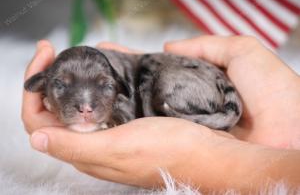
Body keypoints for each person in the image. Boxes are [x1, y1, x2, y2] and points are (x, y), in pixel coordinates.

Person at [22, 36, 300, 193]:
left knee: (166, 87)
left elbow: (126, 107)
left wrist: (214, 158)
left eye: (105, 86)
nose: (85, 105)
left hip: (194, 83)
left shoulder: (130, 87)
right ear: (43, 86)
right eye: (60, 85)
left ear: (120, 86)